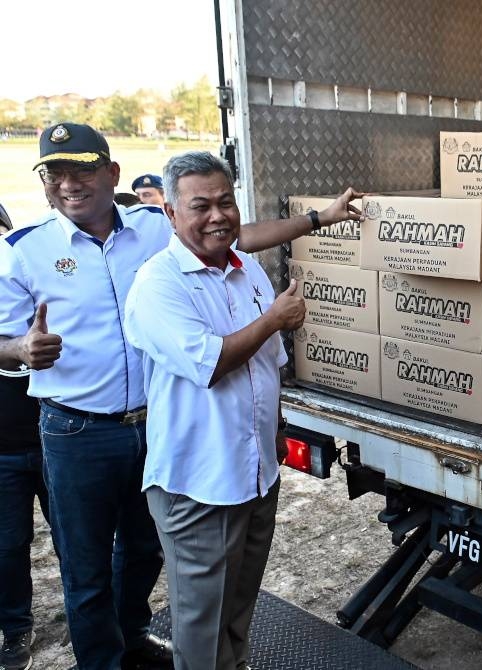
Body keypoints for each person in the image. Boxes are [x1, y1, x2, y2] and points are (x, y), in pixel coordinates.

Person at [0, 122, 363, 670]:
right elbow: (2, 342)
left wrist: (317, 219)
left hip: (153, 421)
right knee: (86, 564)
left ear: (111, 173)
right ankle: (103, 662)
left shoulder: (152, 226)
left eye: (83, 169)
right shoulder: (27, 249)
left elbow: (237, 233)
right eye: (56, 173)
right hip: (81, 428)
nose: (70, 184)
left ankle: (136, 638)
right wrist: (21, 349)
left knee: (145, 553)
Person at [123, 151, 303, 670]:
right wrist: (273, 320)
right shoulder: (159, 283)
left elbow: (268, 367)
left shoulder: (246, 271)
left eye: (226, 202)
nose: (217, 215)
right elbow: (212, 364)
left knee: (239, 607)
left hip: (255, 475)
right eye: (200, 206)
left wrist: (277, 431)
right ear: (171, 216)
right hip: (199, 485)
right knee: (201, 625)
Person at [0, 206, 49, 670]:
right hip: (3, 451)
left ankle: (101, 619)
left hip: (58, 439)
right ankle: (15, 629)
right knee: (8, 545)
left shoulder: (41, 294)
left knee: (80, 540)